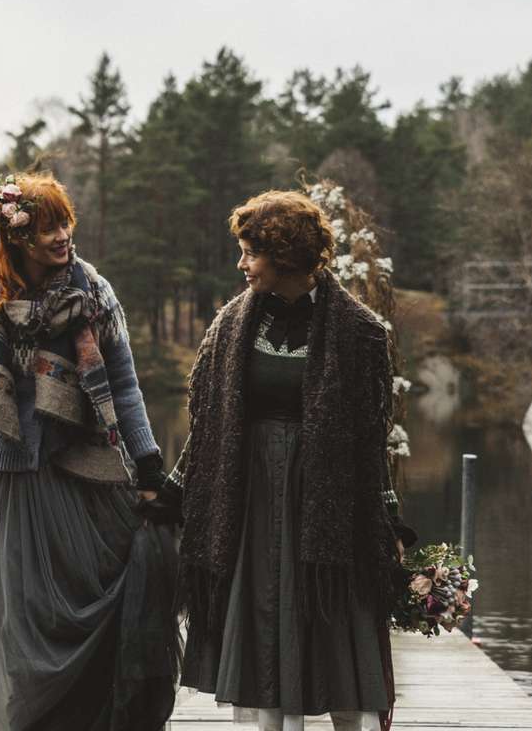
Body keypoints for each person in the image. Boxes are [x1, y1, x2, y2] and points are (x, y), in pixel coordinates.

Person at [147, 190, 416, 731]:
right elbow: (208, 425)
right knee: (264, 614)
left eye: (250, 253)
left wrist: (389, 519)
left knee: (332, 618)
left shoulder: (361, 332)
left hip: (328, 505)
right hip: (250, 502)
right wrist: (172, 491)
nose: (240, 264)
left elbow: (371, 438)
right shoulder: (230, 326)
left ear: (286, 256)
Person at [0, 172, 179, 731]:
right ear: (16, 238)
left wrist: (148, 468)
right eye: (47, 227)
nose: (62, 235)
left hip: (93, 480)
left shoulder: (93, 290)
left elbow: (123, 386)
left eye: (64, 221)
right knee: (28, 628)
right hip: (20, 484)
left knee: (103, 616)